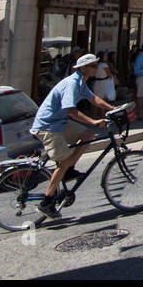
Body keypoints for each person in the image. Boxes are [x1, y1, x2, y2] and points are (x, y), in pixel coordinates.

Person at [30, 54, 115, 219]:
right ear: (83, 68)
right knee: (65, 160)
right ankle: (46, 202)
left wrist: (112, 108)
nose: (96, 68)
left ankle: (68, 169)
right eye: (92, 66)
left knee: (88, 134)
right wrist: (93, 121)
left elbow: (94, 99)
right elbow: (70, 110)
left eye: (96, 65)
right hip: (48, 126)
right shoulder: (72, 83)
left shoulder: (81, 82)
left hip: (60, 122)